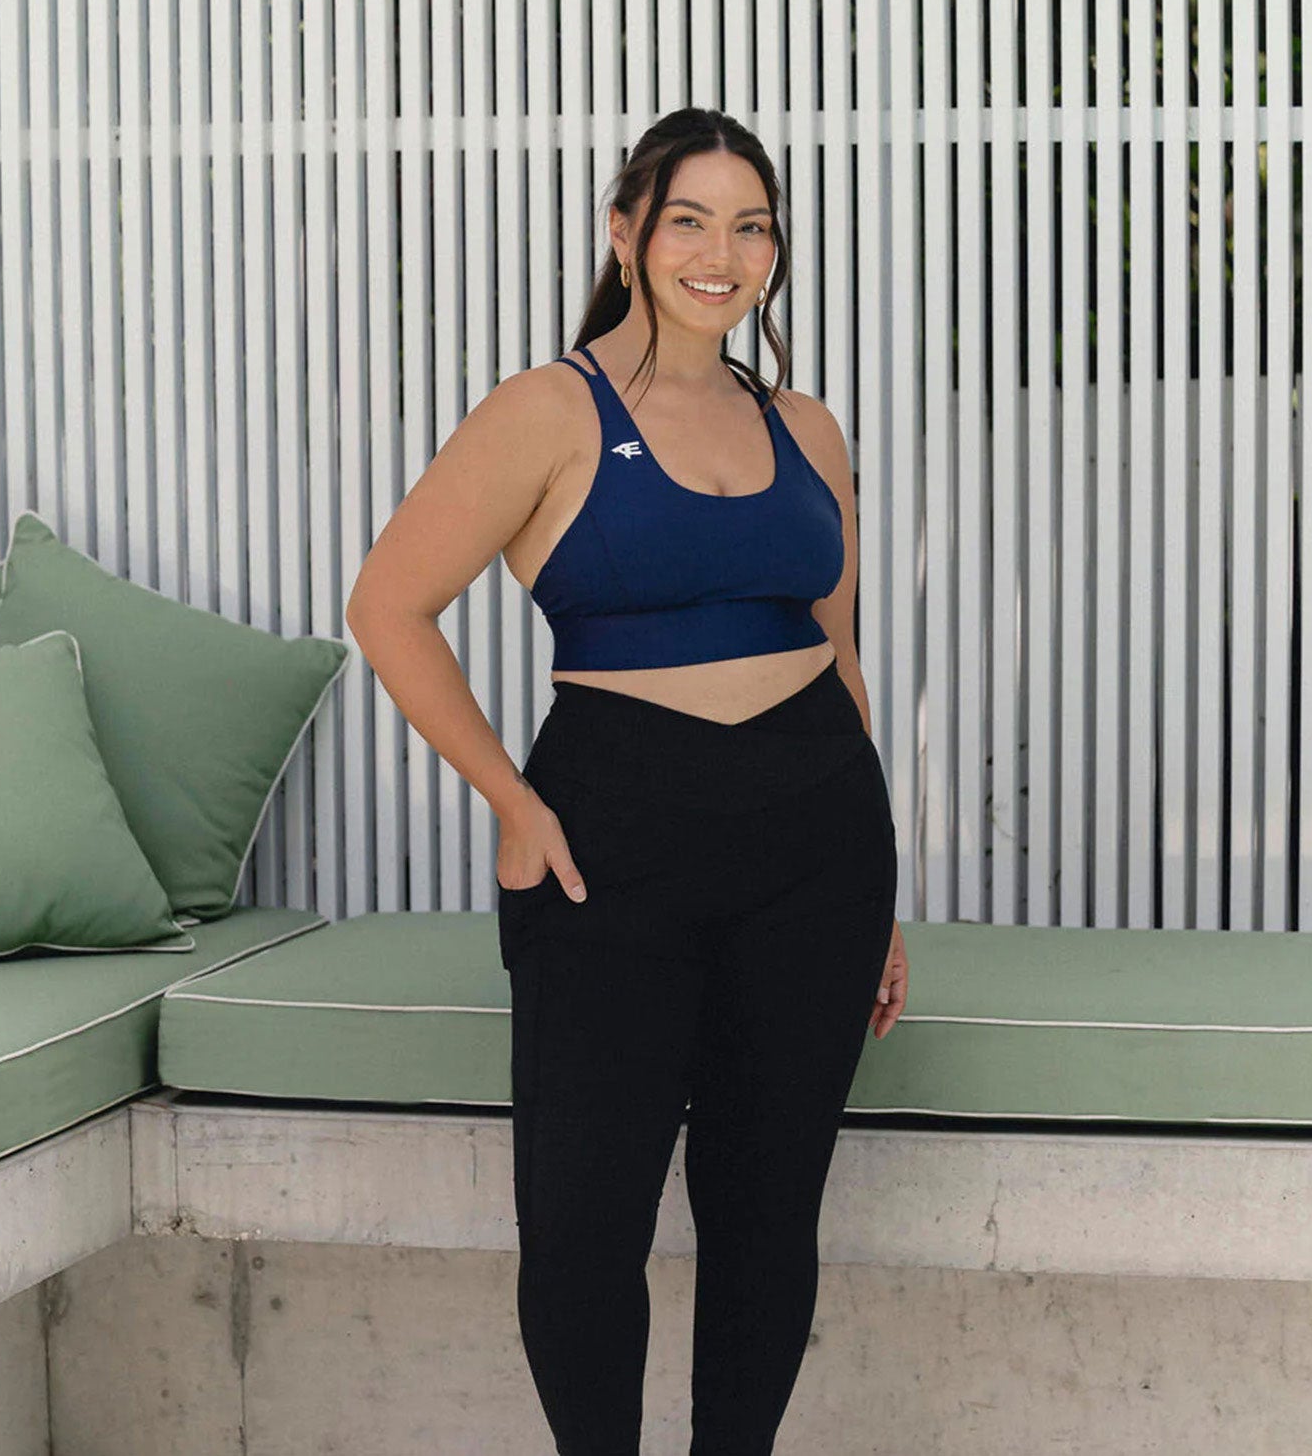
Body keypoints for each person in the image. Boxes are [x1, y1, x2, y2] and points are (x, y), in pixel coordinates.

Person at [346, 105, 908, 1456]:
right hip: (612, 840)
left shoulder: (810, 429)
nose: (723, 254)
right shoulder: (549, 410)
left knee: (768, 1210)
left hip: (816, 849)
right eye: (689, 221)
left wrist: (885, 896)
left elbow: (838, 655)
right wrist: (512, 798)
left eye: (752, 224)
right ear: (627, 234)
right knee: (585, 1221)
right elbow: (388, 606)